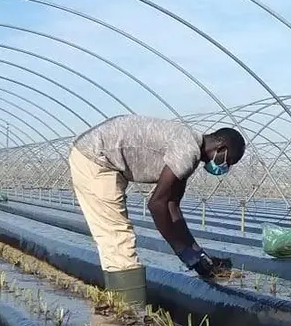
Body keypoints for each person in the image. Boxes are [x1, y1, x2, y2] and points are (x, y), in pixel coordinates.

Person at [68, 114, 245, 304]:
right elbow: (156, 204)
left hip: (105, 160)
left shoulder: (188, 150)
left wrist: (197, 254)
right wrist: (183, 252)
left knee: (117, 238)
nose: (225, 167)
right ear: (221, 147)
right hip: (95, 158)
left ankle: (123, 308)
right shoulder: (187, 151)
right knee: (117, 238)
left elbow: (172, 206)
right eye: (229, 161)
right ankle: (127, 313)